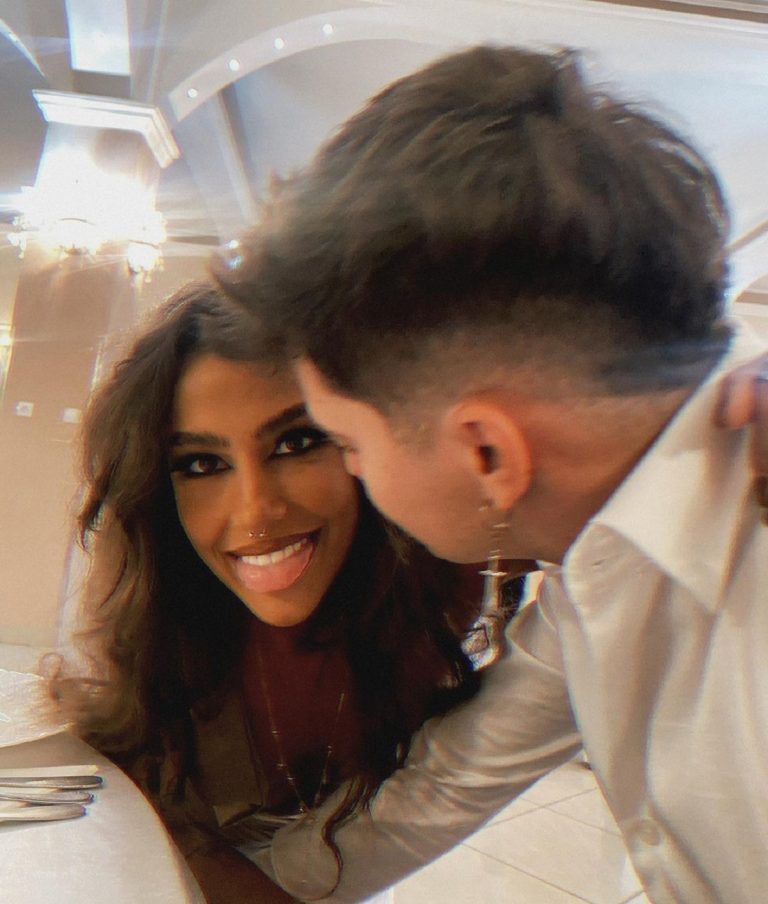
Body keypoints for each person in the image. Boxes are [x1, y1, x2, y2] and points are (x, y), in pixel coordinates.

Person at [217, 45, 768, 903]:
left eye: (347, 442)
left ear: (488, 454)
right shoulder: (601, 561)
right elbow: (443, 785)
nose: (351, 476)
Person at [50, 281, 486, 904]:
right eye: (202, 464)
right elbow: (151, 832)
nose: (255, 512)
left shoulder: (438, 578)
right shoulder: (152, 619)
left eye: (297, 442)